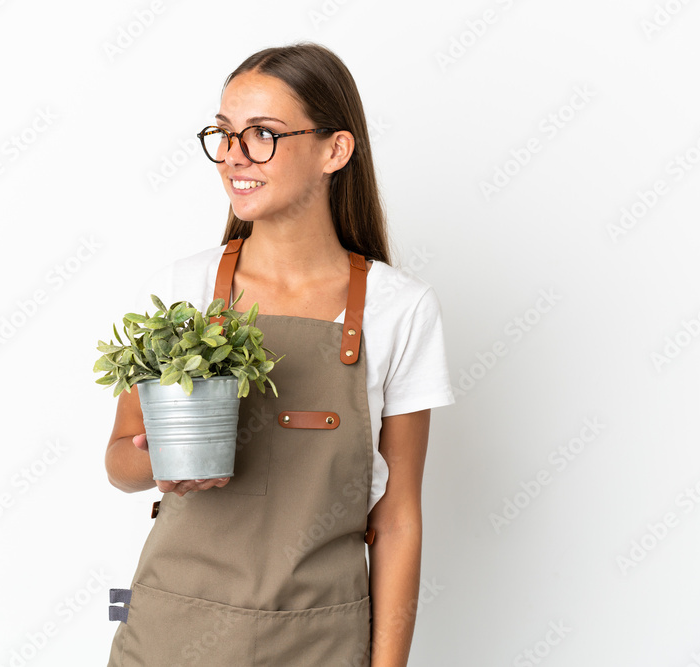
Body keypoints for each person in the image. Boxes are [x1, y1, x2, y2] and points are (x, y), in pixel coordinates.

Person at [104, 42, 455, 667]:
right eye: (224, 134)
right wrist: (159, 462)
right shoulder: (179, 291)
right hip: (170, 632)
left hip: (317, 640)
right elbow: (118, 462)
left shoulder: (398, 310)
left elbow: (398, 521)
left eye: (261, 135)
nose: (234, 157)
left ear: (334, 150)